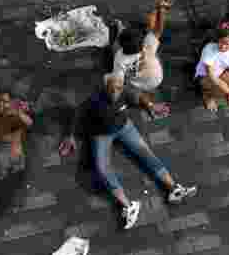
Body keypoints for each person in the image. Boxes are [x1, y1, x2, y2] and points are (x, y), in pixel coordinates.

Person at [57, 74, 197, 229]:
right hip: (102, 134)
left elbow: (139, 97)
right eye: (112, 90)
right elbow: (77, 114)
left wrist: (150, 105)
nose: (115, 94)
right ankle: (128, 206)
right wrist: (70, 136)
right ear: (106, 88)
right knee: (102, 169)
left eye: (118, 90)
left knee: (146, 153)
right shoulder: (94, 101)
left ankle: (174, 188)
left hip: (125, 127)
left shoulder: (126, 91)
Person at [109, 0, 173, 120]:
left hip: (139, 85)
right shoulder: (147, 47)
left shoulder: (119, 58)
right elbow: (158, 30)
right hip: (157, 79)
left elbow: (118, 84)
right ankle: (121, 26)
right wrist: (161, 10)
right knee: (153, 37)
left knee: (122, 83)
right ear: (140, 43)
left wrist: (114, 97)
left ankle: (149, 104)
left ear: (122, 46)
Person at [195, 28, 229, 112]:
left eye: (226, 44)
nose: (223, 46)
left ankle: (221, 91)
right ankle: (207, 95)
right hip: (205, 76)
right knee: (222, 92)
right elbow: (211, 75)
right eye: (221, 42)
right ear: (217, 40)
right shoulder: (209, 50)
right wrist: (226, 89)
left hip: (221, 71)